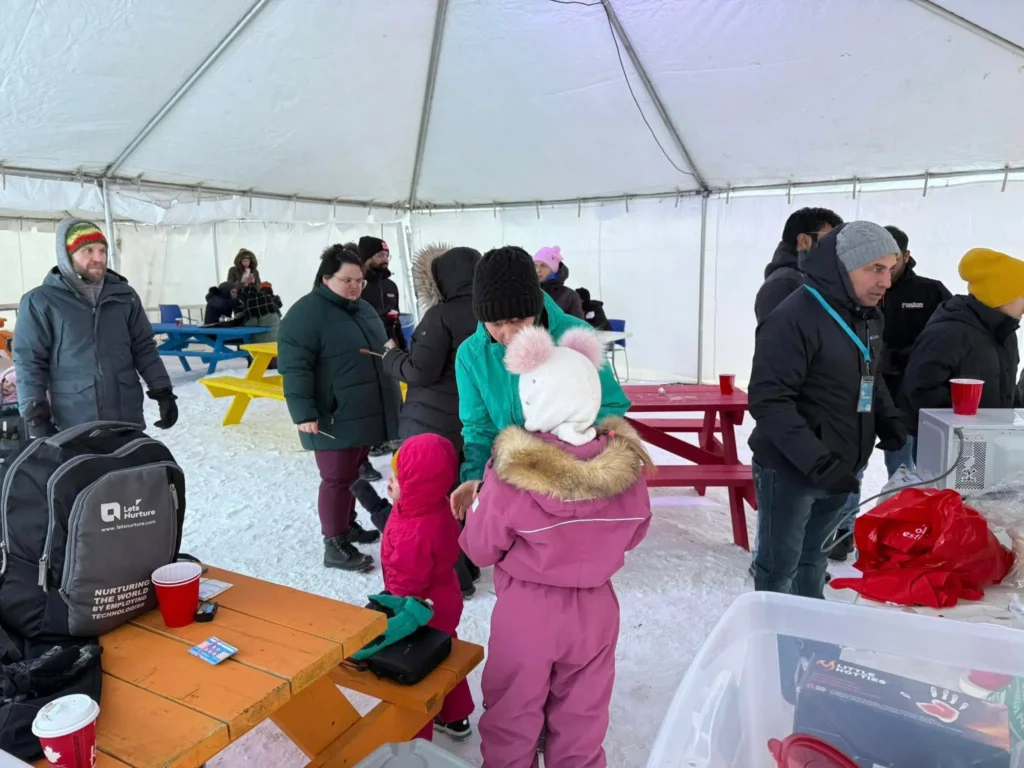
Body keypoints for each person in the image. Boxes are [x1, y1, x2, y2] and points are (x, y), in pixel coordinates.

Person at [461, 326, 652, 768]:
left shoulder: (511, 473)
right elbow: (636, 530)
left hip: (528, 609)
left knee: (513, 714)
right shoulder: (626, 470)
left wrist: (475, 509)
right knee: (583, 718)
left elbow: (480, 548)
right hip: (597, 611)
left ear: (534, 400)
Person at [748, 222, 906, 598]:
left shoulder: (868, 316)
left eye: (890, 269)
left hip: (841, 466)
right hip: (791, 470)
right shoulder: (793, 317)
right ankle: (776, 645)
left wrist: (889, 418)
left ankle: (810, 638)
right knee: (779, 567)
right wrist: (818, 464)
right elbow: (769, 402)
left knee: (813, 559)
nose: (886, 281)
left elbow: (871, 372)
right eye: (874, 269)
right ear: (841, 266)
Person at [450, 246, 631, 518]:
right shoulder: (471, 355)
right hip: (514, 485)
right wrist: (475, 476)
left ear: (534, 308)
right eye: (495, 322)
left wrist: (568, 447)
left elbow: (610, 403)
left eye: (518, 320)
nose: (508, 334)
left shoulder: (574, 334)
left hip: (576, 480)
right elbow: (478, 428)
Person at [352, 245, 484, 593]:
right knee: (460, 493)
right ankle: (469, 563)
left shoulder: (441, 315)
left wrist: (391, 355)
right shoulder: (490, 313)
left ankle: (456, 577)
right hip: (471, 422)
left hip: (431, 422)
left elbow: (418, 370)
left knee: (430, 504)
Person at [278, 244, 401, 572]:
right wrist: (304, 413)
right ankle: (334, 544)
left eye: (359, 281)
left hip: (361, 410)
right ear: (325, 278)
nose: (354, 287)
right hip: (332, 414)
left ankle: (346, 526)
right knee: (335, 477)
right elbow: (294, 367)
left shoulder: (361, 309)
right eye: (347, 280)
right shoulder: (305, 314)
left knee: (352, 472)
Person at [13, 218, 177, 435]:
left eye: (102, 250)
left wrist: (162, 390)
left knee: (127, 468)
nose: (98, 258)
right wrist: (34, 414)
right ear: (67, 255)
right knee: (84, 470)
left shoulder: (124, 296)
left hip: (125, 414)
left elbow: (143, 347)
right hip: (74, 418)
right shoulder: (40, 301)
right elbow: (29, 360)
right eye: (88, 250)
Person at [381, 435, 475, 741]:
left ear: (420, 485)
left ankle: (415, 736)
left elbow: (407, 581)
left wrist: (391, 604)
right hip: (444, 598)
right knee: (442, 653)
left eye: (398, 478)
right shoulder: (433, 505)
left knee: (419, 668)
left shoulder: (415, 529)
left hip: (420, 608)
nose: (389, 481)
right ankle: (456, 716)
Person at [899, 248, 1024, 442]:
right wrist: (962, 430)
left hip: (993, 443)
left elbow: (1005, 387)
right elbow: (920, 390)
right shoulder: (950, 331)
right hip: (954, 447)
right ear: (1000, 296)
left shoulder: (1005, 332)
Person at [877, 226, 951, 476]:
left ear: (906, 256)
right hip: (875, 398)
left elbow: (952, 338)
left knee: (924, 471)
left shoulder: (930, 291)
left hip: (921, 402)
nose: (886, 266)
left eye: (893, 258)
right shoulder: (864, 290)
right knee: (894, 471)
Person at [754, 207, 844, 323]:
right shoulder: (782, 284)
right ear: (804, 241)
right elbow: (777, 338)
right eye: (830, 240)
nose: (835, 248)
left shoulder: (808, 278)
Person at [358, 236, 407, 351]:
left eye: (387, 255)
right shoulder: (357, 285)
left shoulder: (391, 286)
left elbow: (397, 323)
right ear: (367, 258)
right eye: (380, 255)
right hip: (367, 350)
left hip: (391, 351)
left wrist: (404, 348)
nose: (385, 259)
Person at [534, 246, 584, 319]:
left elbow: (578, 327)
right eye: (535, 265)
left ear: (553, 269)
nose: (538, 270)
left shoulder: (570, 296)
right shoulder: (527, 292)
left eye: (543, 266)